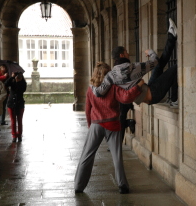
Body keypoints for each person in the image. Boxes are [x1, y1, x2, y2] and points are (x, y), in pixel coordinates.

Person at [74, 62, 144, 194]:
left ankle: (78, 185)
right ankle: (122, 185)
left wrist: (91, 126)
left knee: (87, 155)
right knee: (116, 156)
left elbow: (88, 109)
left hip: (96, 124)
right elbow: (126, 98)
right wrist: (139, 86)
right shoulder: (113, 86)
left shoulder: (91, 89)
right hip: (112, 124)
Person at [91, 18, 178, 106]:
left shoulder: (111, 76)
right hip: (154, 93)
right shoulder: (132, 67)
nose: (128, 53)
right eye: (126, 52)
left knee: (159, 66)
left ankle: (172, 35)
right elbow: (154, 61)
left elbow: (98, 93)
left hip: (149, 91)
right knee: (176, 68)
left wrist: (91, 84)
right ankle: (175, 99)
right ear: (122, 55)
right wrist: (150, 52)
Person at [4, 71, 27, 142]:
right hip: (11, 103)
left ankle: (19, 135)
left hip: (20, 104)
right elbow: (5, 84)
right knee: (13, 121)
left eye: (19, 75)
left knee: (19, 121)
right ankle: (14, 135)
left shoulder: (23, 83)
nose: (18, 76)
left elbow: (22, 89)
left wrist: (19, 81)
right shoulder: (12, 81)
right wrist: (12, 77)